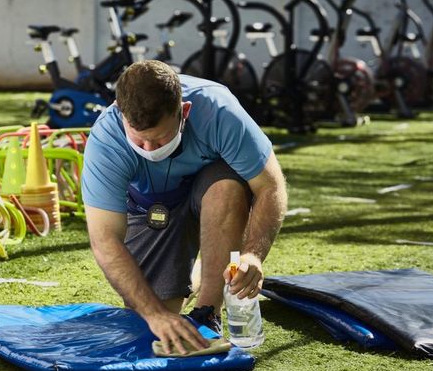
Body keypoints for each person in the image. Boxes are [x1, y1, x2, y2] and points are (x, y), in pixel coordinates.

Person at [82, 60, 287, 355]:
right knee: (153, 315)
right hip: (149, 206)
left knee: (226, 188)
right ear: (120, 112)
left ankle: (208, 310)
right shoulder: (106, 139)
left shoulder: (218, 110)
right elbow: (104, 238)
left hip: (211, 189)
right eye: (139, 138)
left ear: (185, 112)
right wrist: (155, 314)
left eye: (161, 137)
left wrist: (253, 255)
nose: (150, 150)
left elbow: (270, 185)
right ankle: (203, 270)